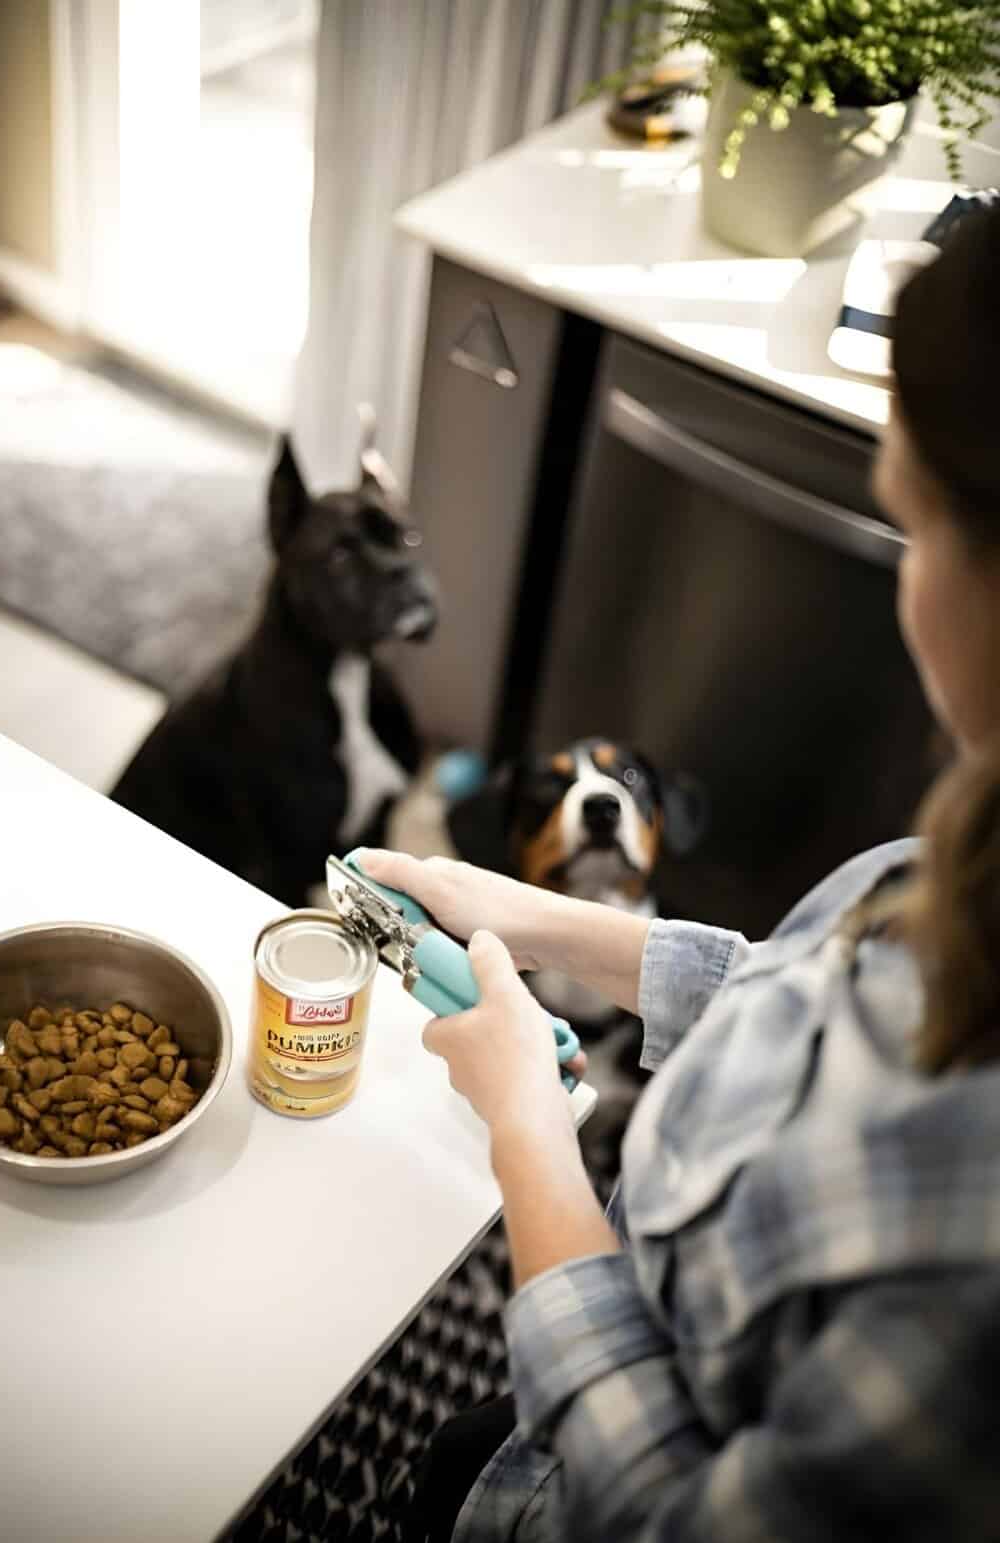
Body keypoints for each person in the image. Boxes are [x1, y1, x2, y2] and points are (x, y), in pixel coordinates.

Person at [363, 203, 1000, 1542]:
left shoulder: (967, 1268)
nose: (906, 582)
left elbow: (667, 1519)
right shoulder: (954, 846)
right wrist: (529, 917)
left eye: (916, 526)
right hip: (557, 1397)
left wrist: (529, 1132)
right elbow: (795, 992)